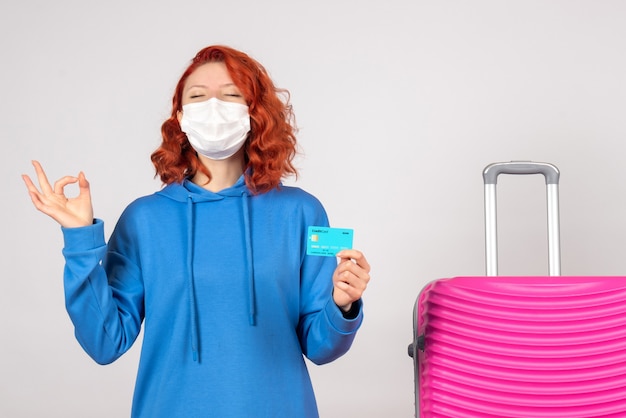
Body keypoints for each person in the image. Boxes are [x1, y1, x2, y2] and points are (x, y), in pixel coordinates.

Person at [22, 45, 371, 417]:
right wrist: (80, 240)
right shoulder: (144, 220)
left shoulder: (301, 212)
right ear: (181, 116)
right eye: (199, 96)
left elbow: (321, 347)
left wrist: (343, 304)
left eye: (231, 95)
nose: (214, 107)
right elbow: (104, 343)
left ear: (254, 112)